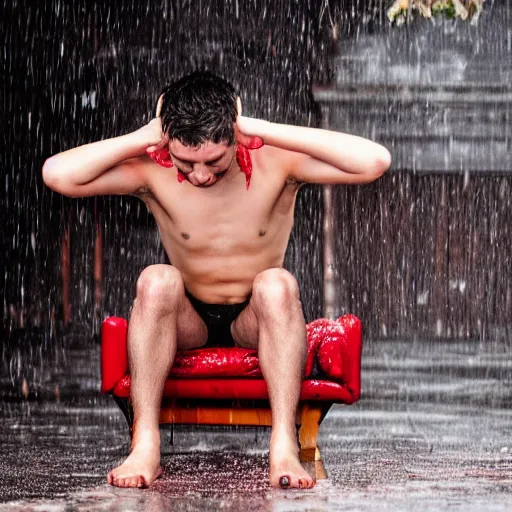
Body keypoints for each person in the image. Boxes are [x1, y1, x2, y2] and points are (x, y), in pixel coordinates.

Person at [42, 71, 391, 490]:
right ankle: (145, 441)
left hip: (253, 321)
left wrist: (255, 128)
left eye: (214, 161)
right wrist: (145, 137)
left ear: (235, 136)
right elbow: (57, 174)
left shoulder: (277, 161)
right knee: (156, 279)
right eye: (186, 162)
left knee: (277, 284)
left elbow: (375, 162)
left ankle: (283, 442)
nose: (201, 175)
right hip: (189, 320)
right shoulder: (152, 169)